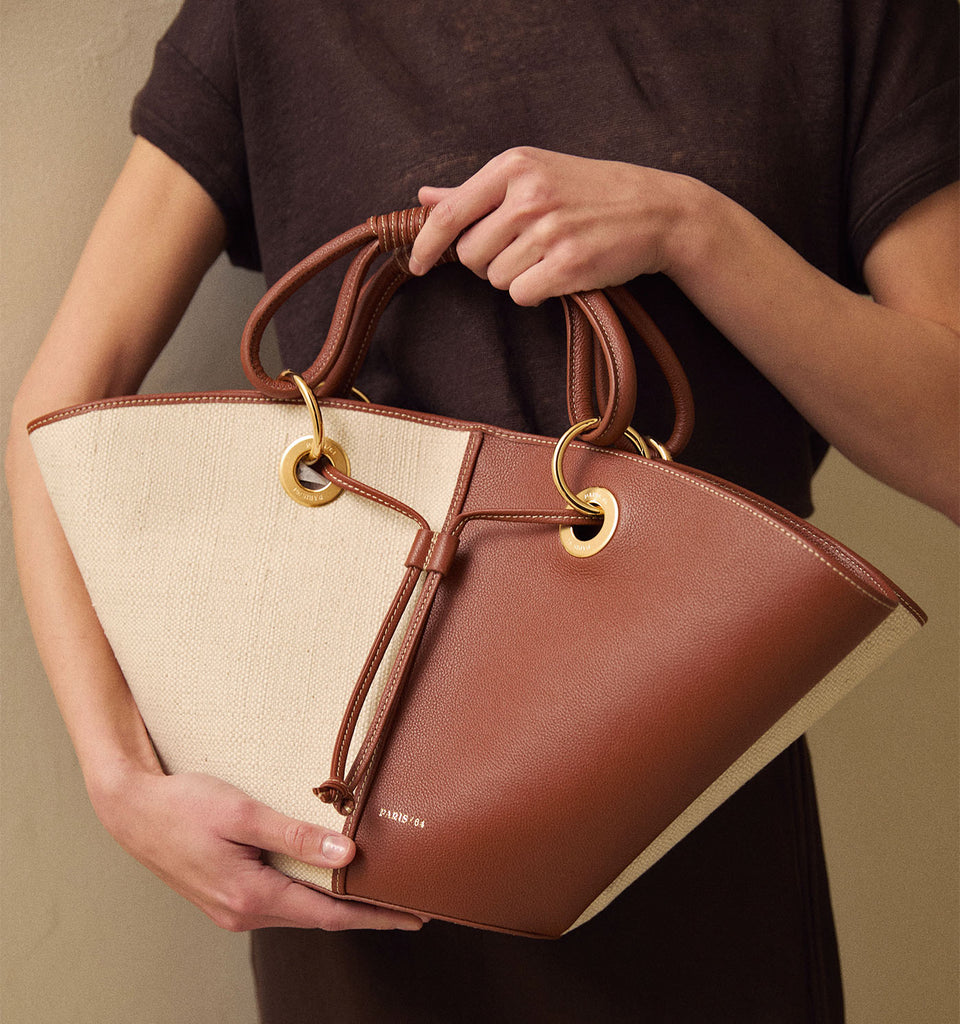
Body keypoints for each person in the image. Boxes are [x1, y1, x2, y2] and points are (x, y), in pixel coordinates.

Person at [6, 0, 957, 1020]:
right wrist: (120, 780)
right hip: (343, 830)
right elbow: (59, 408)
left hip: (680, 802)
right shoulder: (273, 19)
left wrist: (695, 229)